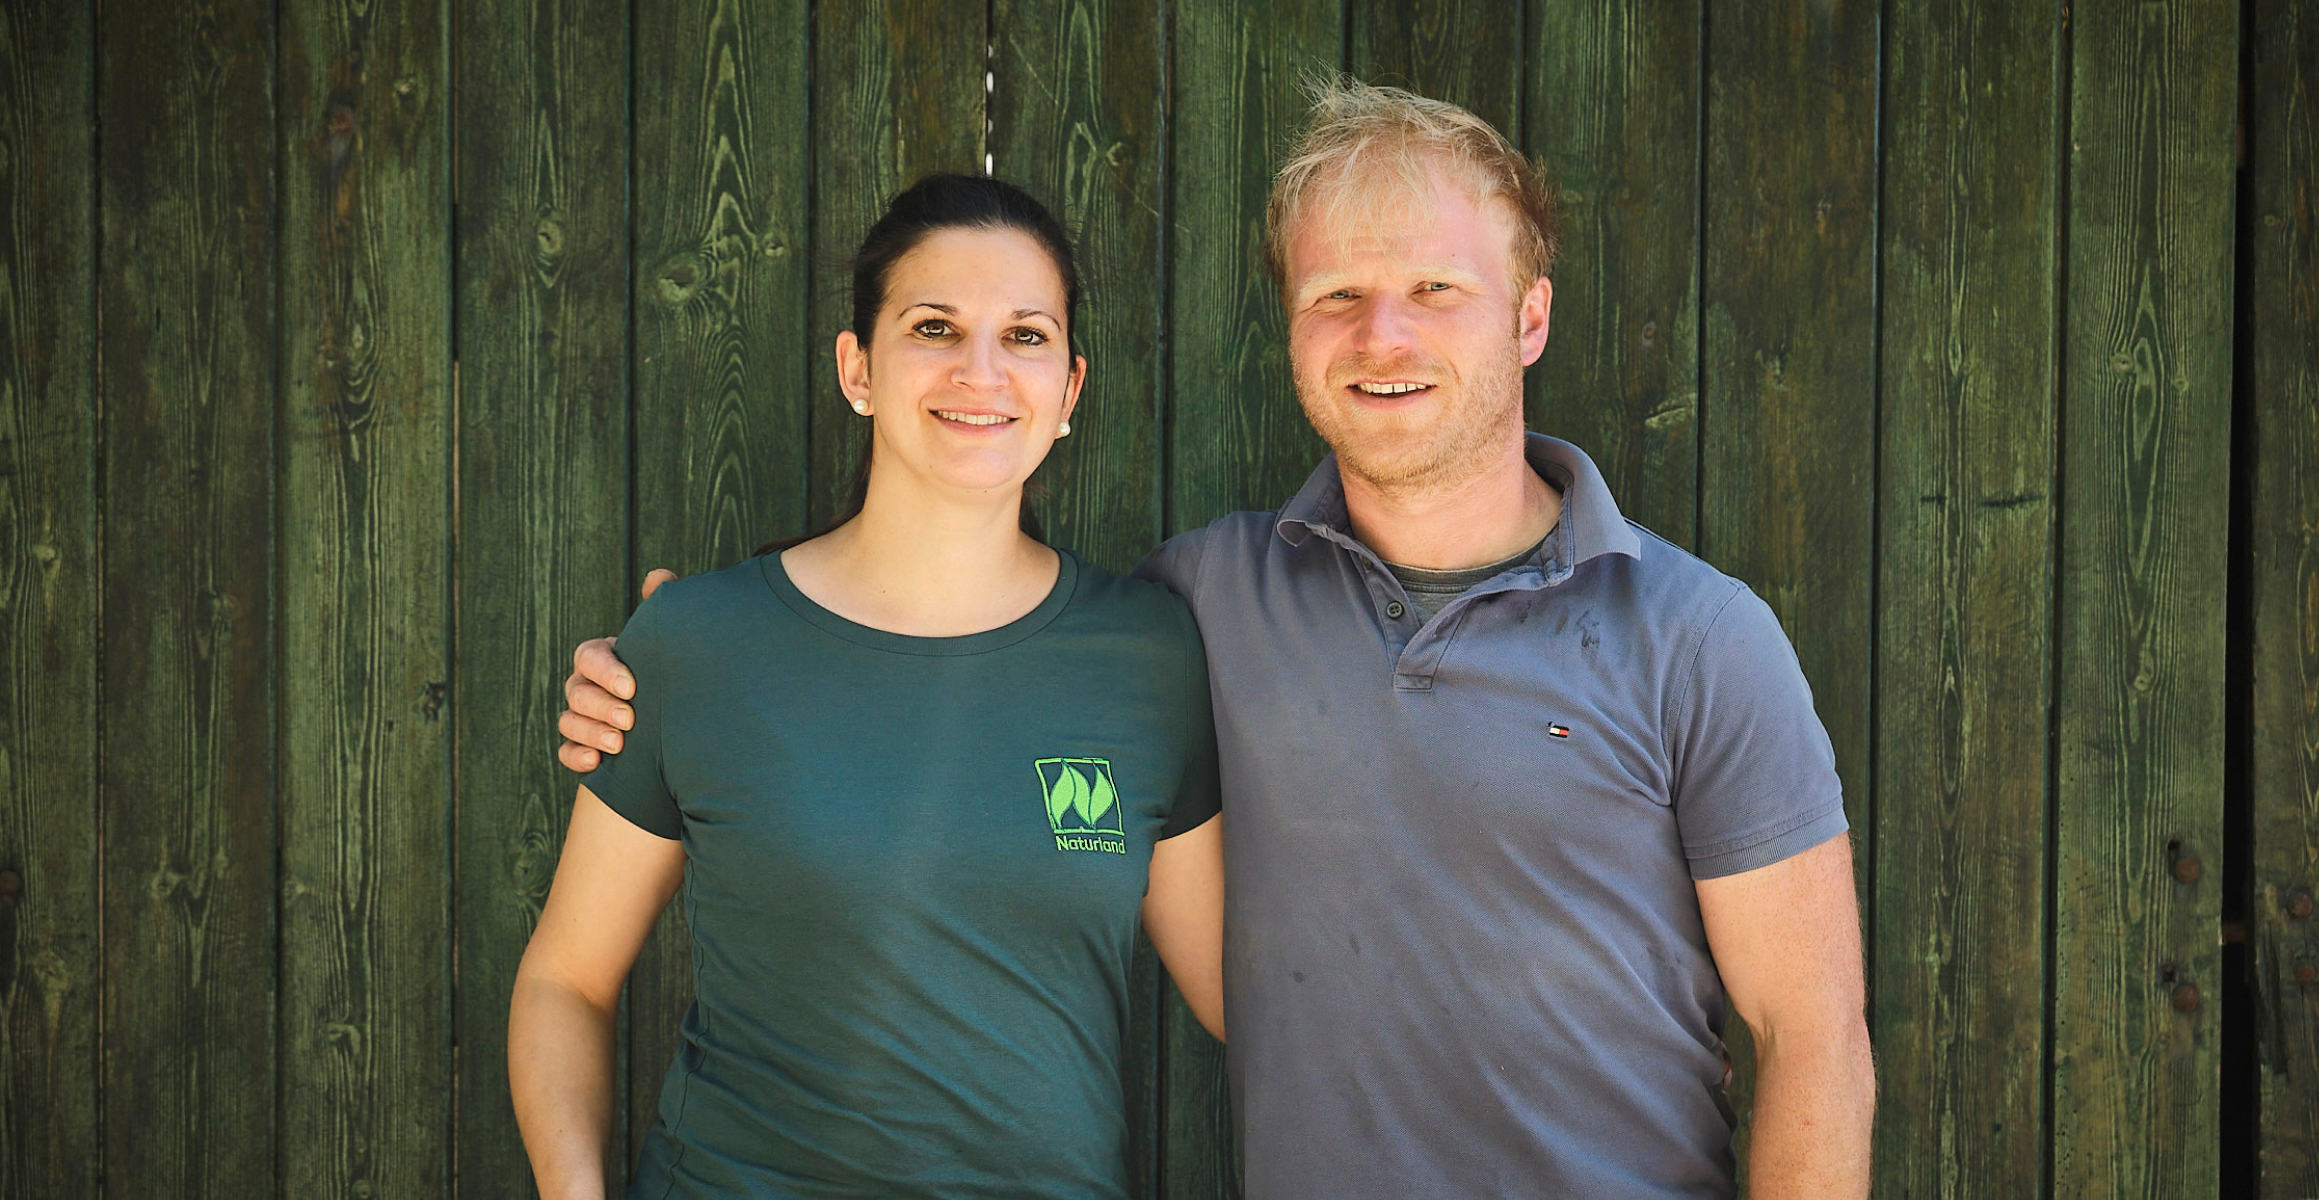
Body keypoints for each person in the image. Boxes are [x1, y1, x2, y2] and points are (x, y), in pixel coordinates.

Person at [561, 82, 1874, 1197]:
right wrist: (679, 660)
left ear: (1529, 317)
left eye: (1437, 289)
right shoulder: (1195, 608)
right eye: (1337, 294)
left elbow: (1810, 1036)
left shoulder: (1702, 637)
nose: (1385, 335)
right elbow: (960, 643)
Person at [512, 173, 1227, 1200]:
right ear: (859, 368)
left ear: (1069, 389)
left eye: (1025, 336)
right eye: (935, 326)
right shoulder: (698, 641)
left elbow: (1243, 997)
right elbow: (563, 982)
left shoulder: (1150, 655)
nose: (981, 370)